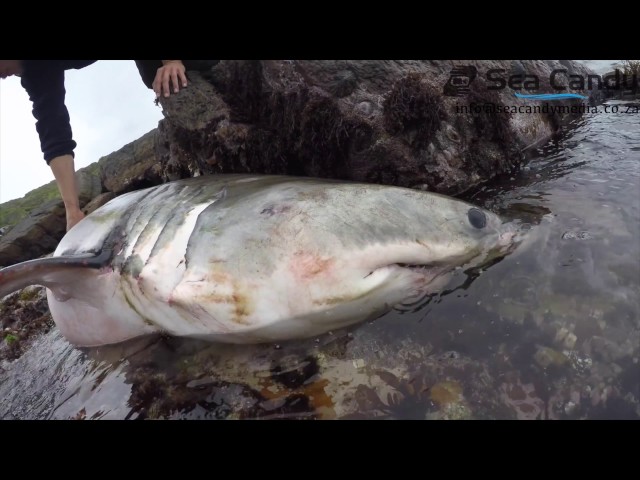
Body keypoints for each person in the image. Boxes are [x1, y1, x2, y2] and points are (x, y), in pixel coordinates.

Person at [0, 59, 195, 231]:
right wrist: (72, 210)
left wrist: (171, 62)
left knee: (182, 68)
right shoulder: (35, 69)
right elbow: (53, 130)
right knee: (156, 77)